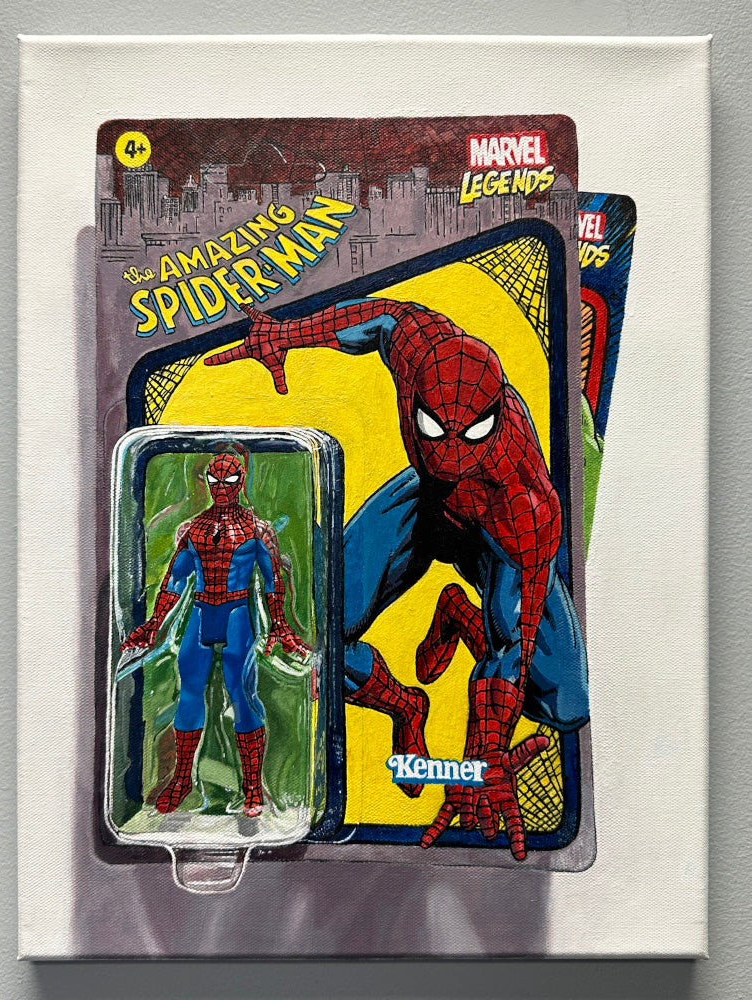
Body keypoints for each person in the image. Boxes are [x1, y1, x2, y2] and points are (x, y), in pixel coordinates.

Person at [205, 299, 589, 859]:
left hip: (496, 533)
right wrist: (286, 334)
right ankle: (404, 706)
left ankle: (461, 615)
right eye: (435, 429)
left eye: (470, 435)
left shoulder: (527, 502)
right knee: (308, 633)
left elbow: (512, 651)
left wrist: (482, 760)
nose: (448, 454)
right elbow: (379, 317)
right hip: (425, 506)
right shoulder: (416, 343)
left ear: (495, 417)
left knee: (566, 702)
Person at [121, 451, 310, 816]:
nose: (221, 487)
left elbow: (273, 580)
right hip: (201, 612)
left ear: (241, 482)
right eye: (215, 480)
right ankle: (181, 780)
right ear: (206, 482)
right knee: (189, 695)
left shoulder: (257, 529)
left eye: (229, 480)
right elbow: (174, 579)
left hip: (237, 614)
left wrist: (281, 627)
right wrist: (154, 624)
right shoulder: (192, 529)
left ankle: (252, 789)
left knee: (243, 697)